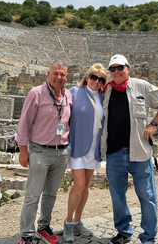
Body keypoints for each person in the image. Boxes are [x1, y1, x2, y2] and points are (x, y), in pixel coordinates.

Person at [101, 54, 158, 244]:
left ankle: (148, 237)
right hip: (114, 153)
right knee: (117, 196)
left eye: (120, 68)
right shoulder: (106, 90)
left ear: (127, 68)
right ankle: (123, 231)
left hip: (139, 152)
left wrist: (153, 125)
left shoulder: (141, 86)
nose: (116, 72)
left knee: (147, 196)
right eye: (113, 69)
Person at [17, 60, 72, 244]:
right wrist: (23, 150)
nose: (59, 77)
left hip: (62, 151)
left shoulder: (68, 96)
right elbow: (24, 123)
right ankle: (27, 233)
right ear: (48, 74)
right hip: (40, 150)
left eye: (63, 74)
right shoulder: (36, 94)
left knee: (51, 193)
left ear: (66, 77)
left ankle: (44, 226)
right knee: (33, 194)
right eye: (56, 73)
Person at [64, 63, 108, 242]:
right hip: (77, 146)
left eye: (100, 79)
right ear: (87, 77)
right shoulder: (75, 92)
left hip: (93, 148)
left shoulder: (104, 97)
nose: (96, 81)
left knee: (86, 186)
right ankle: (68, 222)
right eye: (93, 77)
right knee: (79, 185)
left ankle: (77, 221)